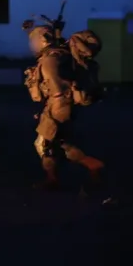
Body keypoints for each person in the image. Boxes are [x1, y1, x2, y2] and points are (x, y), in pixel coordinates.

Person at [26, 25, 105, 189]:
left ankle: (56, 177)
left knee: (44, 144)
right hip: (61, 106)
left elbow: (57, 89)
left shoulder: (50, 59)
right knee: (60, 143)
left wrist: (51, 112)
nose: (32, 45)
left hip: (58, 107)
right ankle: (89, 166)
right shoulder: (60, 54)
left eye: (34, 40)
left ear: (43, 40)